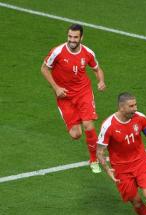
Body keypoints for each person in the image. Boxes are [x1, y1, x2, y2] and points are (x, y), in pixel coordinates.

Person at [41, 24, 106, 173]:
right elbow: (44, 68)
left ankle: (94, 160)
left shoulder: (88, 53)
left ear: (81, 37)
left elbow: (97, 69)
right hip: (64, 95)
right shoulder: (57, 52)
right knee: (76, 134)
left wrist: (101, 81)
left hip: (83, 92)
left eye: (75, 37)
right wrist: (56, 88)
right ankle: (71, 118)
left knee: (88, 125)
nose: (72, 40)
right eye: (70, 36)